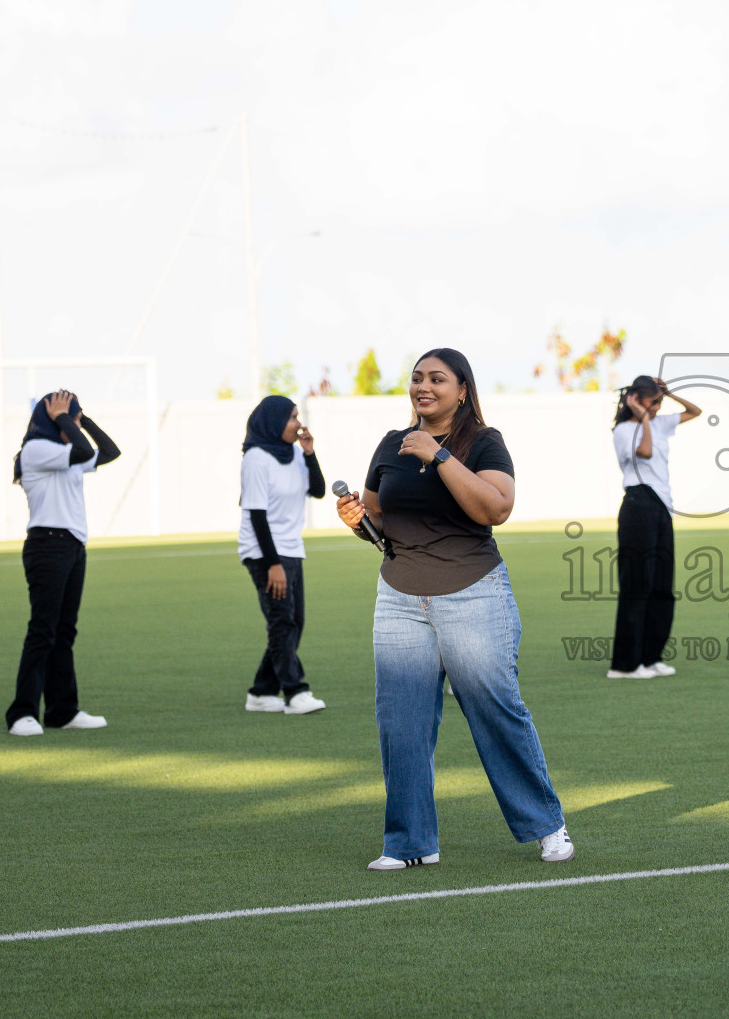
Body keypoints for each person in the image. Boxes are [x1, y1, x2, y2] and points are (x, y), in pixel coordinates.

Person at [335, 348, 574, 870]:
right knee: (401, 720)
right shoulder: (389, 445)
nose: (424, 386)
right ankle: (409, 843)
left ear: (462, 390)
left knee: (493, 708)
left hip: (473, 593)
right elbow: (379, 519)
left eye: (436, 379)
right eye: (417, 378)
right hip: (400, 597)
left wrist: (438, 456)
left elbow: (497, 508)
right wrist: (356, 517)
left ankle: (547, 825)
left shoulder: (484, 443)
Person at [6, 390, 120, 736]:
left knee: (64, 632)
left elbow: (110, 452)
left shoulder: (63, 452)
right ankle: (22, 713)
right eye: (68, 417)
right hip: (47, 545)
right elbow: (85, 450)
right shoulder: (37, 450)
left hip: (71, 545)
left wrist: (82, 419)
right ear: (50, 417)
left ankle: (62, 710)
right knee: (43, 630)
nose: (72, 422)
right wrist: (62, 419)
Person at [238, 395, 327, 715]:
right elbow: (257, 516)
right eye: (291, 417)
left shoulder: (293, 452)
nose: (298, 423)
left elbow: (318, 490)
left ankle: (261, 692)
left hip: (291, 548)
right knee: (282, 621)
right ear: (274, 422)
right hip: (264, 551)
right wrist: (273, 564)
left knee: (293, 622)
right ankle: (295, 691)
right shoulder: (257, 459)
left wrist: (309, 453)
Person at [608, 375, 701, 679]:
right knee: (637, 584)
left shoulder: (659, 421)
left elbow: (694, 411)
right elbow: (645, 452)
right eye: (652, 402)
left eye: (659, 402)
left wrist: (669, 393)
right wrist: (642, 416)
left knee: (662, 585)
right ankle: (624, 665)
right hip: (638, 504)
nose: (657, 408)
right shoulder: (624, 430)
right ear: (634, 399)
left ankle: (650, 657)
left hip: (661, 507)